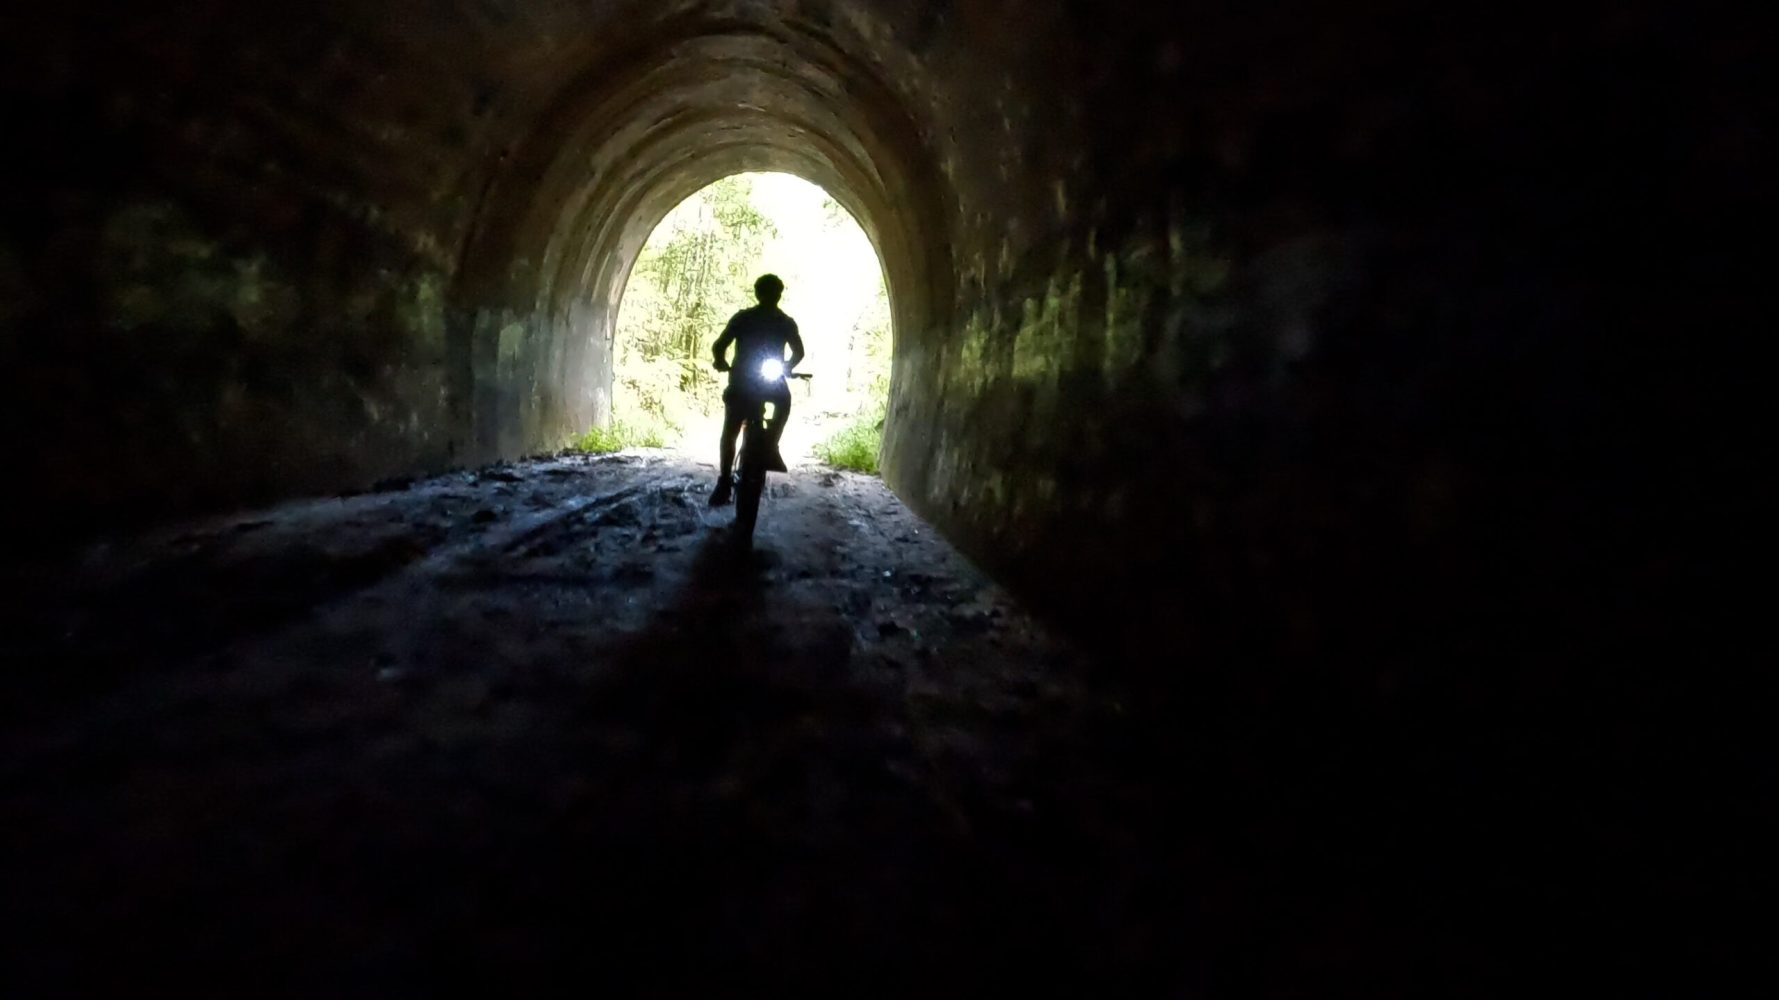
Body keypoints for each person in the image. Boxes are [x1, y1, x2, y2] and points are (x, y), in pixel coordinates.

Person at [708, 274, 804, 506]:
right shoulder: (778, 321)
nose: (772, 296)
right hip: (746, 380)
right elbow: (720, 345)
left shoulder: (752, 319)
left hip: (752, 380)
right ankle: (725, 478)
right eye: (771, 292)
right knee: (779, 403)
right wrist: (719, 359)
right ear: (774, 294)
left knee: (733, 425)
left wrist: (787, 367)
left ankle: (769, 445)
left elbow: (798, 351)